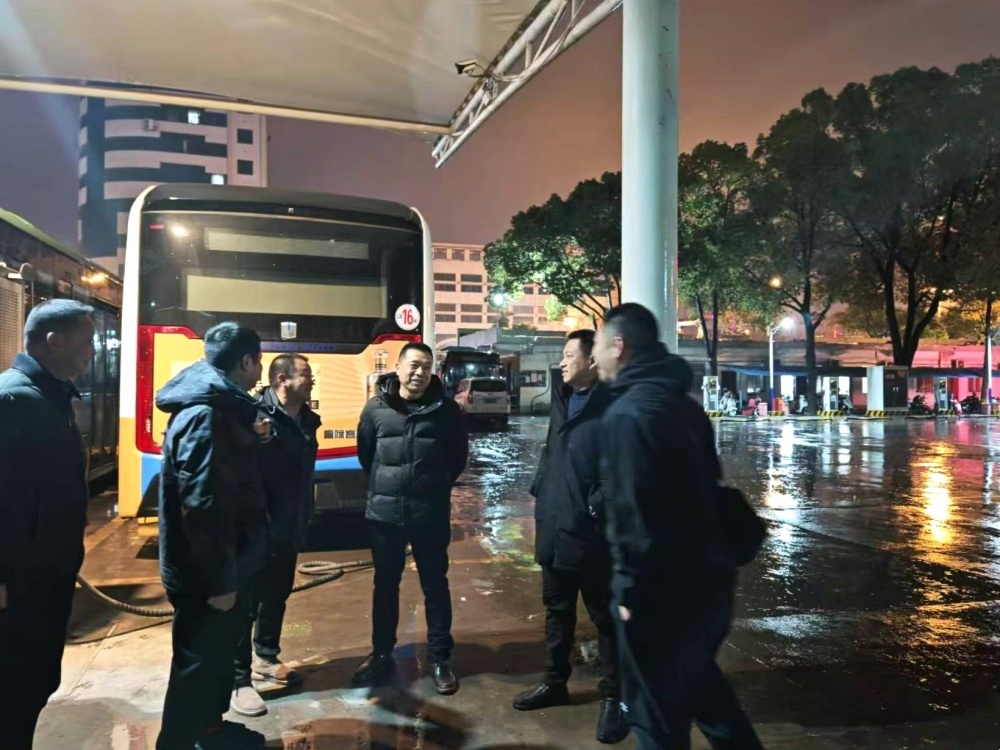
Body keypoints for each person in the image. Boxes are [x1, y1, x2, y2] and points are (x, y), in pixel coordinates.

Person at [592, 303, 763, 750]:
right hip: (709, 582)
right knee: (707, 696)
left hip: (661, 595)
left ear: (618, 346)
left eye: (597, 344)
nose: (594, 356)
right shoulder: (683, 405)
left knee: (656, 721)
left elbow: (633, 515)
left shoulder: (628, 415)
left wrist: (628, 595)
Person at [155, 322, 269, 750]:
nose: (259, 371)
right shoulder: (204, 414)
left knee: (213, 658)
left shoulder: (218, 406)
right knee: (197, 664)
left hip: (223, 565)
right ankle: (180, 741)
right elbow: (202, 504)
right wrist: (220, 582)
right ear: (246, 361)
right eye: (258, 362)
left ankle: (209, 731)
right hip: (207, 575)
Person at [513, 330, 627, 745]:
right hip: (554, 524)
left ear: (592, 361)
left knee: (606, 619)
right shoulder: (562, 398)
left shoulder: (614, 405)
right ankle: (554, 683)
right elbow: (553, 453)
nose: (561, 362)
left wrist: (593, 508)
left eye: (567, 355)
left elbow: (621, 472)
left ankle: (614, 698)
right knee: (557, 611)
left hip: (594, 536)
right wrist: (541, 490)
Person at [0, 300, 95, 750]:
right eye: (87, 341)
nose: (93, 351)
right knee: (14, 691)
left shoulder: (48, 396)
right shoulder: (14, 400)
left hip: (45, 576)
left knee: (34, 684)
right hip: (20, 585)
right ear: (54, 342)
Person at [353, 342, 468, 694]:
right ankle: (381, 654)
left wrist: (432, 486)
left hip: (428, 514)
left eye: (426, 366)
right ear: (398, 367)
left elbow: (457, 459)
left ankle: (439, 658)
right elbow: (366, 454)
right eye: (414, 365)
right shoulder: (375, 409)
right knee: (385, 586)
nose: (420, 372)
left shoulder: (447, 411)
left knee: (435, 585)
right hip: (385, 515)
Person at [231, 354, 321, 717]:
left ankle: (266, 658)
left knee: (276, 595)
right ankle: (239, 680)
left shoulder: (308, 420)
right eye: (306, 375)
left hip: (290, 524)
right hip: (256, 527)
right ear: (282, 380)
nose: (312, 380)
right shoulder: (254, 415)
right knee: (245, 604)